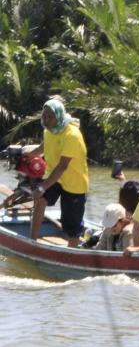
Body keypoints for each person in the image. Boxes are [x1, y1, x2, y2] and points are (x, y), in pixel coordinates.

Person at [28, 98, 89, 247]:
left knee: (71, 226)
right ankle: (32, 242)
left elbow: (62, 166)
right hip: (55, 178)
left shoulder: (72, 135)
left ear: (59, 116)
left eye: (50, 117)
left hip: (74, 183)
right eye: (44, 116)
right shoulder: (48, 131)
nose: (46, 121)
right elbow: (43, 147)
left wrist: (42, 187)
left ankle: (71, 253)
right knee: (40, 200)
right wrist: (28, 155)